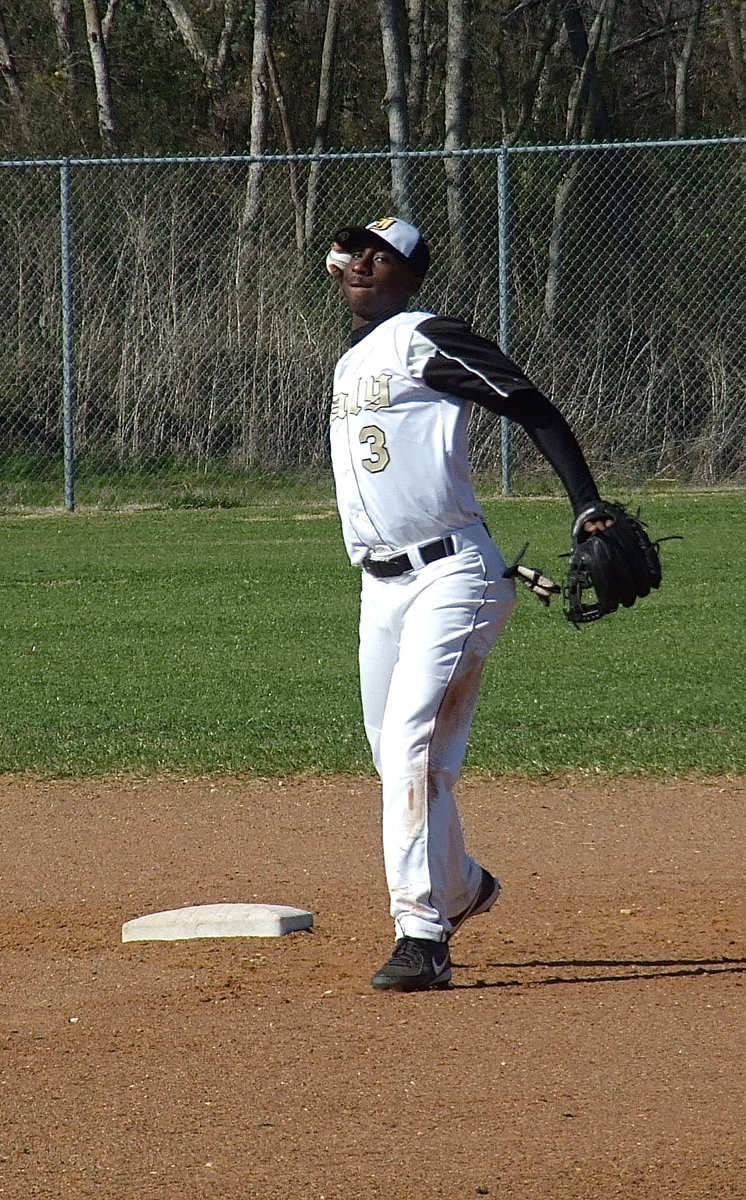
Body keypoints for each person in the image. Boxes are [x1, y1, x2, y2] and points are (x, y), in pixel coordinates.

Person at [326, 216, 611, 992]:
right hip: (379, 588)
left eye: (384, 256)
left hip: (454, 577)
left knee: (414, 747)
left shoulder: (428, 334)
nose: (364, 262)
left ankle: (423, 933)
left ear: (411, 277)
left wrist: (587, 505)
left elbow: (530, 404)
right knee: (396, 758)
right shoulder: (354, 359)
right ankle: (463, 887)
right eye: (357, 251)